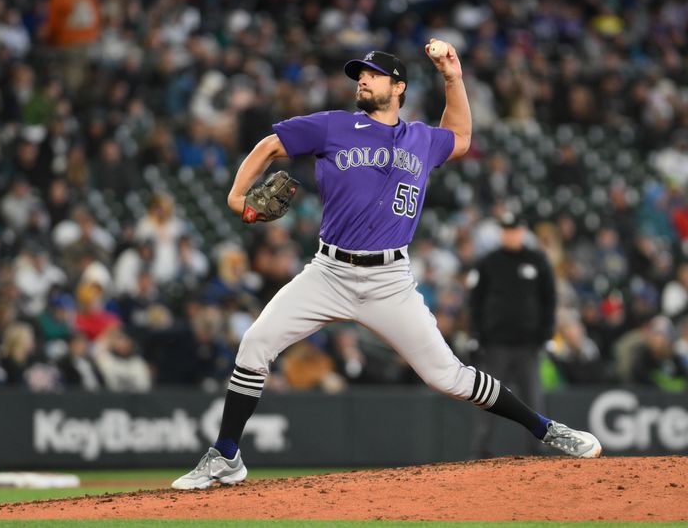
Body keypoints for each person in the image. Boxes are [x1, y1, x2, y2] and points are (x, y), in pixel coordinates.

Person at [172, 43, 601, 491]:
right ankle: (226, 455)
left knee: (448, 377)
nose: (362, 79)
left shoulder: (421, 138)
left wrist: (453, 78)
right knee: (255, 343)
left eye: (374, 74)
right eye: (360, 74)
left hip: (389, 281)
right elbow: (268, 146)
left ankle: (547, 430)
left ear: (398, 87)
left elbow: (461, 138)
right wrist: (237, 195)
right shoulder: (333, 126)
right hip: (328, 272)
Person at [466, 211, 557, 457]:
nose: (510, 235)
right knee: (488, 397)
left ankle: (537, 449)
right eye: (506, 230)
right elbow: (475, 301)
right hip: (496, 343)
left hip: (528, 343)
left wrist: (546, 334)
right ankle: (481, 450)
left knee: (533, 399)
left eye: (514, 230)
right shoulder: (489, 262)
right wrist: (475, 334)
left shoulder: (537, 260)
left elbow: (549, 299)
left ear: (523, 231)